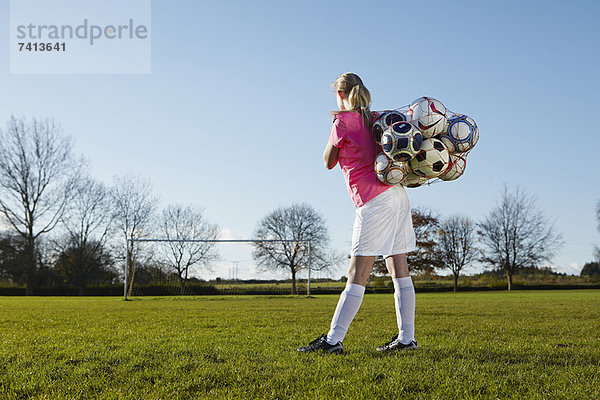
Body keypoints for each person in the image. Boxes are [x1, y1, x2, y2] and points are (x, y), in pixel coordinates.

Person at [297, 72, 418, 354]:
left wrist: (336, 131)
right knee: (399, 267)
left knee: (357, 272)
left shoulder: (342, 121)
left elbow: (328, 161)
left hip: (374, 201)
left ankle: (332, 341)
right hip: (397, 193)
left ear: (340, 95)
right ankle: (406, 339)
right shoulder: (377, 118)